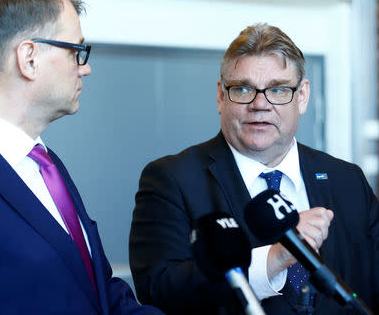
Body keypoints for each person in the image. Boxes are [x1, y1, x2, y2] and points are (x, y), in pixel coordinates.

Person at [0, 0, 163, 315]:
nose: (85, 68)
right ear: (29, 59)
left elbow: (98, 291)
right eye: (76, 51)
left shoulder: (44, 163)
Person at [129, 23, 378, 315]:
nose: (260, 104)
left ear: (302, 96)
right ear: (221, 95)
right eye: (243, 88)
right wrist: (274, 257)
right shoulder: (172, 180)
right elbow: (159, 291)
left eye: (278, 89)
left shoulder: (346, 180)